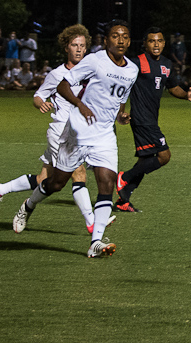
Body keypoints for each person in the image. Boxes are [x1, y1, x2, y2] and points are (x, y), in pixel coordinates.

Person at [11, 20, 138, 258]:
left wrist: (121, 115)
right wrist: (81, 105)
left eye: (125, 36)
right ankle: (29, 205)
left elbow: (121, 94)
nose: (121, 40)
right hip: (77, 132)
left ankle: (96, 242)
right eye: (115, 36)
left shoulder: (132, 69)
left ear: (129, 41)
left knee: (106, 184)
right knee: (56, 183)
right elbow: (62, 86)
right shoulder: (94, 60)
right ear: (106, 40)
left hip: (104, 135)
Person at [0, 25, 110, 235]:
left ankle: (0, 189)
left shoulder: (90, 71)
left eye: (82, 45)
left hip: (81, 132)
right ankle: (92, 222)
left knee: (45, 180)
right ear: (66, 47)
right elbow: (38, 95)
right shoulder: (57, 74)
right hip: (60, 131)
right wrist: (40, 104)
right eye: (74, 45)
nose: (79, 49)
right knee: (78, 172)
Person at [114, 28, 191, 212]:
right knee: (164, 156)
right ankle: (124, 177)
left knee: (145, 160)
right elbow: (124, 86)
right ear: (145, 44)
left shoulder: (167, 64)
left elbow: (173, 87)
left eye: (159, 41)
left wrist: (186, 95)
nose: (156, 44)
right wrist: (121, 112)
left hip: (152, 118)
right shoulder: (136, 63)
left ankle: (123, 200)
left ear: (164, 43)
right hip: (142, 119)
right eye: (152, 41)